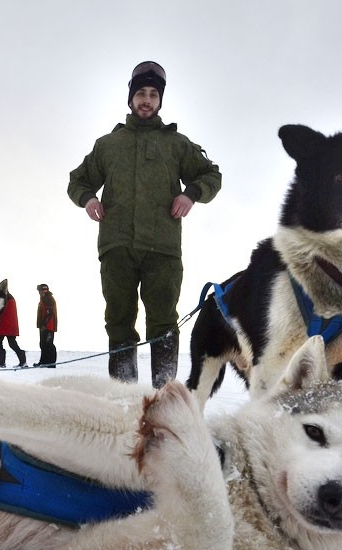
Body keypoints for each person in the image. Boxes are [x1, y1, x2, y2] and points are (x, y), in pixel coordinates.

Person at [67, 60, 221, 387]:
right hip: (117, 247)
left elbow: (211, 175)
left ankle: (164, 398)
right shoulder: (108, 145)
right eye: (141, 94)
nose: (146, 100)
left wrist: (191, 193)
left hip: (162, 249)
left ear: (160, 100)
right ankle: (124, 399)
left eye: (153, 94)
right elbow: (77, 181)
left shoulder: (177, 144)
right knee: (119, 321)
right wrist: (89, 199)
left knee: (163, 323)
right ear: (131, 99)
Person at [0, 292, 26, 368]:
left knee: (1, 343)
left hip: (5, 325)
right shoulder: (9, 298)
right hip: (9, 325)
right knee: (11, 343)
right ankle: (22, 361)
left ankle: (2, 362)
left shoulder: (5, 298)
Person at [34, 283, 57, 368]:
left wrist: (44, 324)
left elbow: (50, 313)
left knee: (48, 344)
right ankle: (44, 362)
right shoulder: (45, 298)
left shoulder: (48, 299)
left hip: (48, 326)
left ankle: (51, 363)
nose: (38, 292)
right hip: (45, 326)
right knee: (43, 344)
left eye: (39, 290)